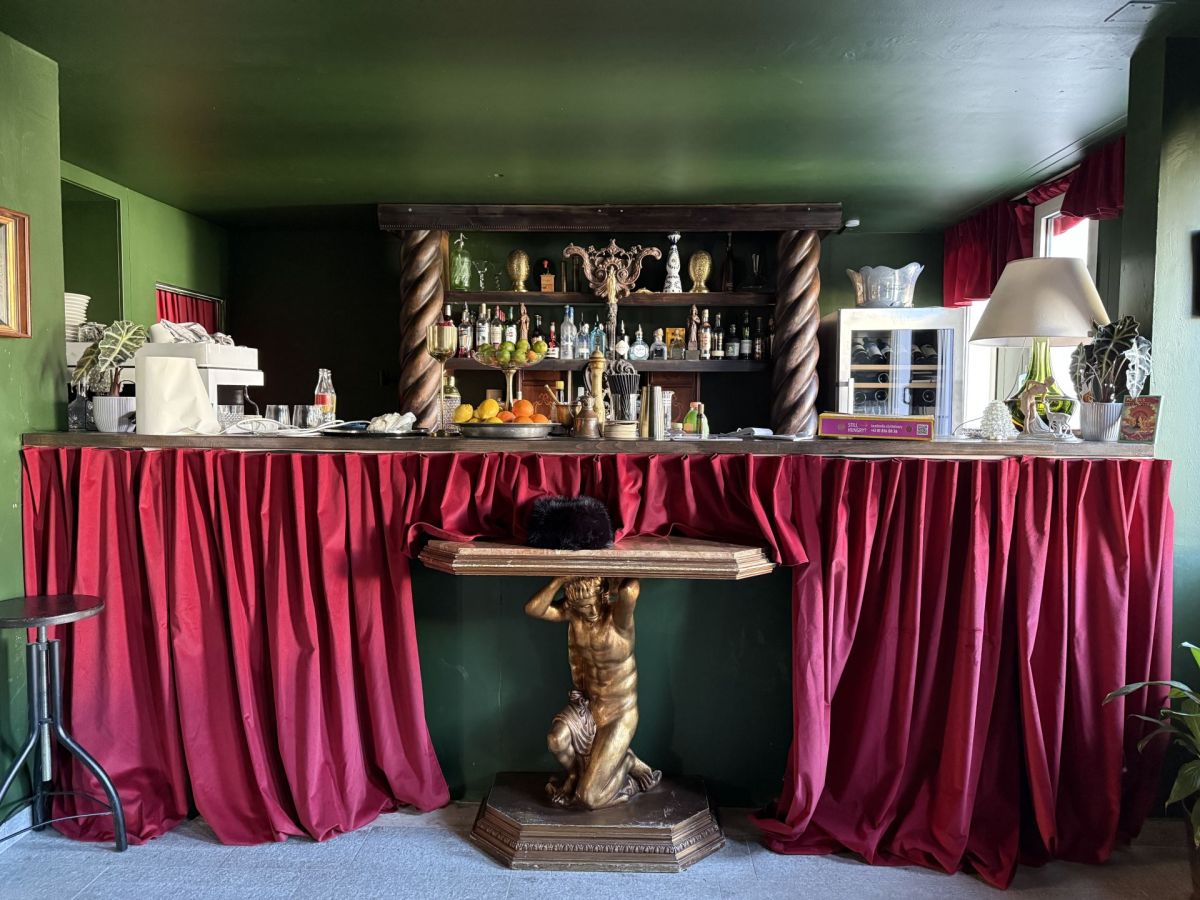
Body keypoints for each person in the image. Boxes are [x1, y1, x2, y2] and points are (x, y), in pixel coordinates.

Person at [524, 575, 661, 809]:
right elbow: (533, 609)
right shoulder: (576, 617)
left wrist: (612, 580)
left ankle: (626, 763)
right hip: (588, 706)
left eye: (592, 604)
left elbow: (630, 590)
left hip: (619, 714)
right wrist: (560, 580)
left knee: (589, 798)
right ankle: (575, 775)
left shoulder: (618, 621)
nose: (591, 611)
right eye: (583, 607)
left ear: (602, 596)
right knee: (556, 740)